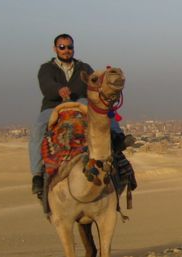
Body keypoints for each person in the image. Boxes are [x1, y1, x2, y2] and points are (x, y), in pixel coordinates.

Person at [28, 33, 127, 198]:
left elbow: (93, 81)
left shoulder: (83, 67)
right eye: (62, 47)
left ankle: (118, 137)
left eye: (69, 47)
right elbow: (46, 84)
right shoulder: (46, 68)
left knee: (103, 108)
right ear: (55, 49)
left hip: (80, 102)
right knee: (38, 129)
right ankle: (37, 175)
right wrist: (58, 89)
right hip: (54, 106)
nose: (66, 50)